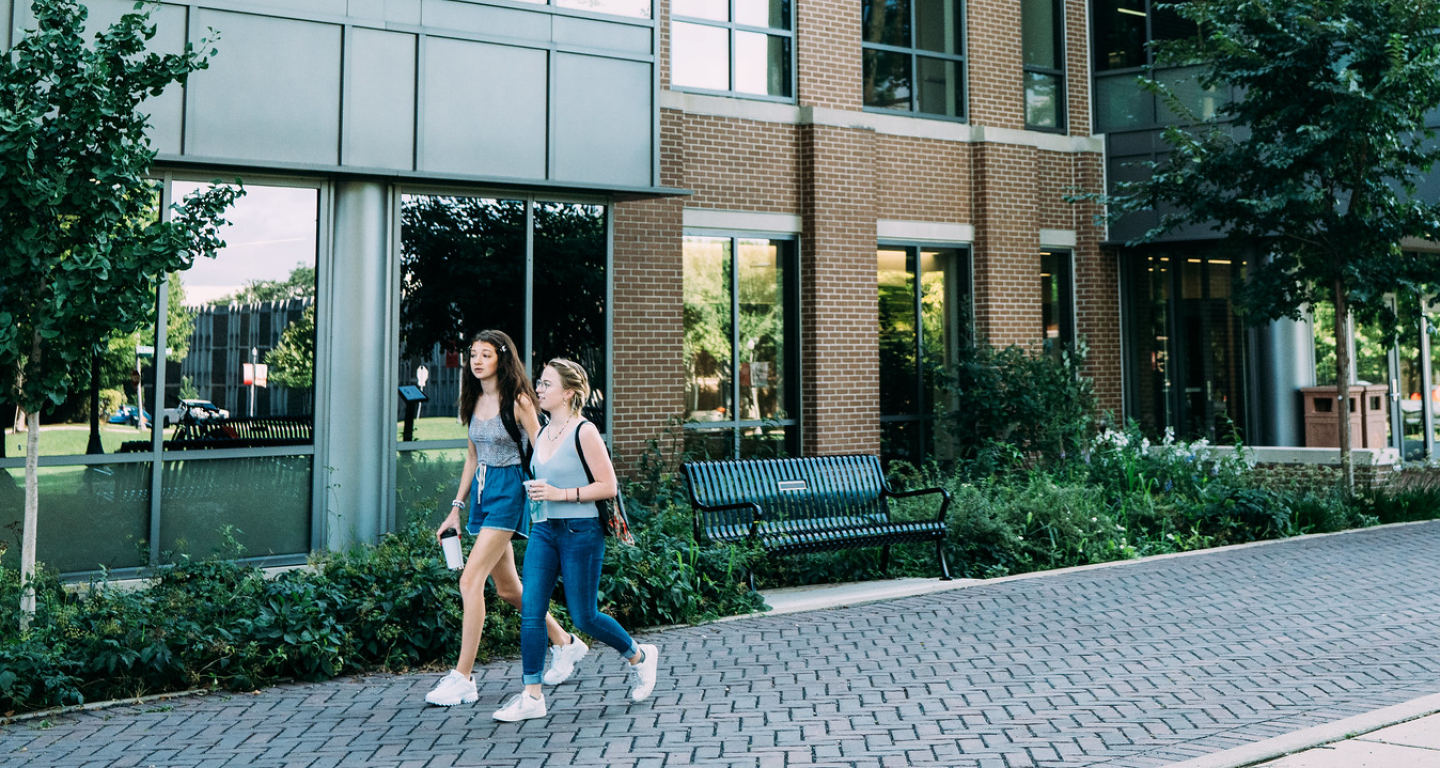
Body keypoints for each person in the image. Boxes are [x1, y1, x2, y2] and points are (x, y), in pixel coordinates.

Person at [491, 358, 658, 722]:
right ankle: (532, 695)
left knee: (584, 616)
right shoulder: (543, 431)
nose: (539, 389)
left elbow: (608, 486)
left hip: (580, 532)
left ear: (568, 393)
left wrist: (558, 493)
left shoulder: (585, 432)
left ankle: (639, 656)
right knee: (532, 612)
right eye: (540, 382)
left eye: (547, 384)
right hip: (543, 530)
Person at [424, 331, 586, 707]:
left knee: (469, 580)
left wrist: (556, 497)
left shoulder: (520, 401)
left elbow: (543, 448)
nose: (477, 361)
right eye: (472, 355)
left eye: (485, 355)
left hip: (511, 492)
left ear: (501, 359)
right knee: (509, 590)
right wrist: (456, 508)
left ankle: (463, 678)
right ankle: (565, 642)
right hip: (483, 493)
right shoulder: (474, 399)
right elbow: (472, 457)